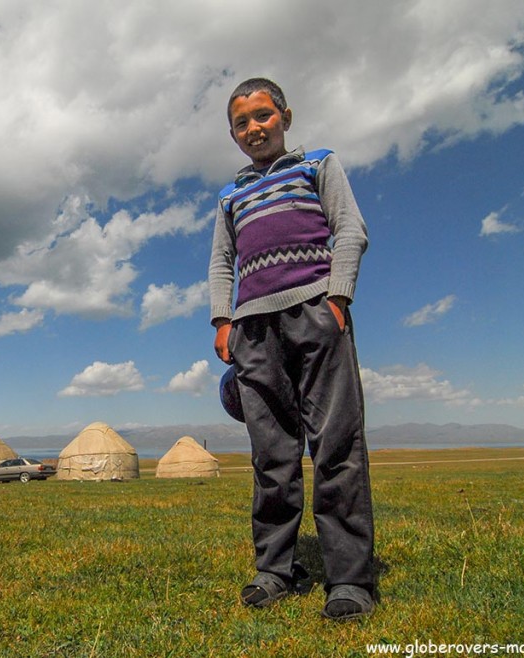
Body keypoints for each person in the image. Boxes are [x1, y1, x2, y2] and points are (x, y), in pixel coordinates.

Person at [208, 77, 376, 621]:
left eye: (262, 116)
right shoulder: (230, 195)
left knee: (336, 445)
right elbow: (221, 262)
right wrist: (222, 319)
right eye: (241, 123)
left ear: (284, 116)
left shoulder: (318, 164)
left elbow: (350, 228)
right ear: (233, 134)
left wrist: (338, 297)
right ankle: (277, 569)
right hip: (253, 329)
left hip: (315, 313)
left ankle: (350, 579)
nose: (253, 128)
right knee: (272, 455)